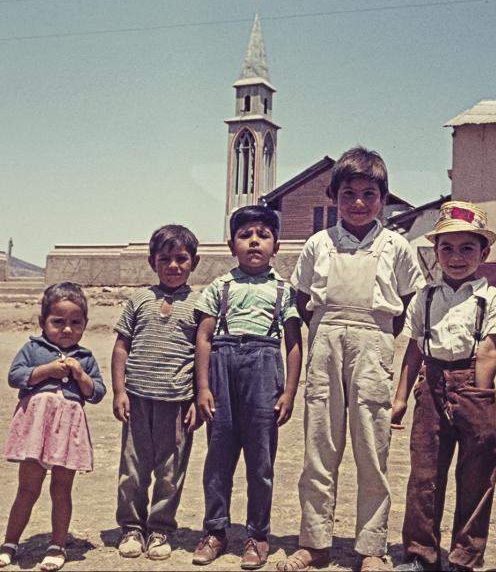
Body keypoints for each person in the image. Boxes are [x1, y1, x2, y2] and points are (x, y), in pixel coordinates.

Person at [278, 147, 425, 572]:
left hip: (374, 343)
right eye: (348, 194)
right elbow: (302, 301)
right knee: (320, 448)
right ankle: (315, 543)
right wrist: (331, 331)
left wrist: (376, 339)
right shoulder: (317, 244)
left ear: (383, 197)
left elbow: (410, 307)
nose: (358, 203)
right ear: (334, 195)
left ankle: (371, 548)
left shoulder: (396, 246)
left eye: (368, 194)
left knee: (372, 449)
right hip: (325, 342)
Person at [392, 201, 496, 572]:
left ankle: (465, 558)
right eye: (446, 248)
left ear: (483, 252)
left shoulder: (490, 299)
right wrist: (400, 397)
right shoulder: (425, 298)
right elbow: (414, 350)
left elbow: (489, 350)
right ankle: (420, 555)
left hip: (473, 384)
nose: (456, 257)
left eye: (467, 248)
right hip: (432, 383)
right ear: (435, 252)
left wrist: (478, 395)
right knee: (425, 475)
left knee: (477, 474)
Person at [192, 205, 303, 570]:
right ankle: (215, 531)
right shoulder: (219, 287)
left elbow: (292, 343)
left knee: (260, 462)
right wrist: (203, 388)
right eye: (245, 235)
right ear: (231, 244)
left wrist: (288, 391)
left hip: (263, 371)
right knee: (218, 459)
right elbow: (204, 337)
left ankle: (257, 535)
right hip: (222, 371)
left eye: (263, 235)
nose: (254, 241)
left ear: (276, 246)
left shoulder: (284, 290)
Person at [0, 282, 106, 572]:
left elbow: (98, 393)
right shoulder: (32, 348)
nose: (67, 329)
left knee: (61, 489)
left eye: (75, 323)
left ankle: (57, 545)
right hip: (36, 430)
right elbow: (15, 376)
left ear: (85, 324)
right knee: (27, 489)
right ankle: (10, 542)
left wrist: (80, 375)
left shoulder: (86, 357)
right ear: (43, 322)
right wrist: (46, 371)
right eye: (58, 322)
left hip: (68, 431)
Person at [112, 224, 203, 560]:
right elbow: (122, 347)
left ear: (194, 261)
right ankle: (132, 528)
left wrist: (197, 399)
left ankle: (161, 529)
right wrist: (120, 391)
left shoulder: (200, 304)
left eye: (181, 258)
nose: (173, 266)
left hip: (177, 403)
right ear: (152, 262)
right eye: (165, 258)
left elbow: (202, 354)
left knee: (170, 470)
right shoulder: (139, 300)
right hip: (137, 400)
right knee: (133, 468)